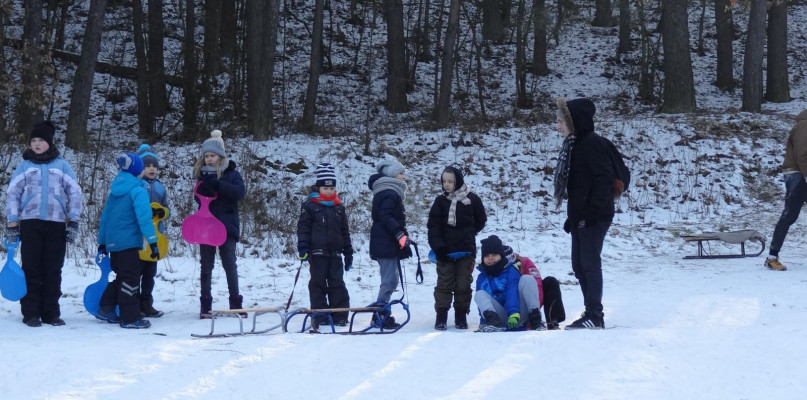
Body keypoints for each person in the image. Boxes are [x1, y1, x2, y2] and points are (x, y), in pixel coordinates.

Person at [4, 121, 83, 327]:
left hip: (56, 224)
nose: (37, 144)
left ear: (49, 142)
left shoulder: (62, 166)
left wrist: (73, 220)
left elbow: (74, 192)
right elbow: (13, 194)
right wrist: (12, 222)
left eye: (41, 140)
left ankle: (51, 313)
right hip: (30, 224)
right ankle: (31, 313)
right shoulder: (24, 166)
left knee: (53, 268)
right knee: (31, 268)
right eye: (34, 140)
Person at [554, 97, 614, 330]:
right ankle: (590, 311)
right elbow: (578, 187)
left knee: (589, 263)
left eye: (560, 121)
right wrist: (573, 216)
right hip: (581, 215)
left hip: (595, 216)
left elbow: (603, 181)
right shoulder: (573, 145)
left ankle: (594, 315)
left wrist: (591, 213)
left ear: (573, 121)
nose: (557, 126)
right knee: (579, 265)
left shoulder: (591, 144)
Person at [97, 153, 159, 329]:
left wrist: (103, 243)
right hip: (129, 243)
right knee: (131, 279)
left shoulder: (115, 191)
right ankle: (130, 318)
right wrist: (153, 241)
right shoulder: (138, 190)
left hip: (113, 244)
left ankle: (106, 307)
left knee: (122, 277)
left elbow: (105, 218)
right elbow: (144, 218)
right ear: (138, 171)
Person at [194, 130, 246, 318]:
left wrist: (219, 185)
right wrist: (205, 189)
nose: (209, 159)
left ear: (220, 156)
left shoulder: (232, 174)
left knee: (229, 264)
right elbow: (199, 199)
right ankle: (205, 303)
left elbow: (239, 193)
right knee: (206, 265)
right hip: (207, 227)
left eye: (212, 155)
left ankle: (235, 302)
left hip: (227, 226)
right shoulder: (202, 175)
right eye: (206, 156)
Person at [427, 165, 486, 330]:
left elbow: (481, 219)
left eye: (450, 181)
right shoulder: (440, 201)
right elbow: (433, 227)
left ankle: (461, 315)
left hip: (466, 251)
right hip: (445, 251)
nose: (446, 184)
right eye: (444, 181)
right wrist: (439, 248)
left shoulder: (472, 199)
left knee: (463, 283)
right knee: (444, 283)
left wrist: (469, 234)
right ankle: (441, 315)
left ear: (458, 181)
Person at [297, 163, 353, 327]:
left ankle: (339, 315)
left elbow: (345, 231)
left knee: (337, 283)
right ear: (318, 187)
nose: (329, 191)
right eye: (325, 188)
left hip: (335, 253)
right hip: (317, 252)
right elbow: (303, 228)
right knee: (318, 283)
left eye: (331, 188)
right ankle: (320, 314)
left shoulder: (339, 207)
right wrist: (303, 247)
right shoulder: (310, 206)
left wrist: (348, 251)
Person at [368, 157, 411, 329]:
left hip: (386, 242)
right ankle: (379, 314)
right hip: (385, 243)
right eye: (401, 173)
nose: (403, 177)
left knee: (391, 280)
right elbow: (385, 216)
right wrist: (398, 232)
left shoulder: (388, 192)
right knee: (389, 280)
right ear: (392, 176)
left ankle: (382, 312)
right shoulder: (389, 193)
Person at [765, 109, 807, 271]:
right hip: (797, 175)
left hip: (802, 174)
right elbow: (802, 154)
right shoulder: (804, 125)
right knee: (789, 215)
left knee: (789, 215)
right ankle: (771, 257)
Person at [474, 235, 544, 332]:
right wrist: (483, 322)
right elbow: (482, 303)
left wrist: (513, 314)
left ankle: (535, 319)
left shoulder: (511, 270)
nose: (490, 258)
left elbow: (512, 292)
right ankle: (492, 322)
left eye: (494, 255)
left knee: (527, 279)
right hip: (499, 316)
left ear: (501, 255)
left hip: (518, 313)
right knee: (479, 294)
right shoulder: (481, 277)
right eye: (486, 256)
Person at [136, 144, 169, 317]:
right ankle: (133, 304)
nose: (152, 169)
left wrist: (162, 212)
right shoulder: (137, 185)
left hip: (156, 237)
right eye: (147, 166)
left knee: (150, 273)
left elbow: (167, 209)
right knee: (136, 272)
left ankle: (147, 303)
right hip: (139, 236)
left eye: (154, 166)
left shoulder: (160, 187)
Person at [502, 245, 566, 330]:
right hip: (507, 308)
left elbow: (537, 284)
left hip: (528, 302)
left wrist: (533, 309)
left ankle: (552, 321)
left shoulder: (525, 262)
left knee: (550, 281)